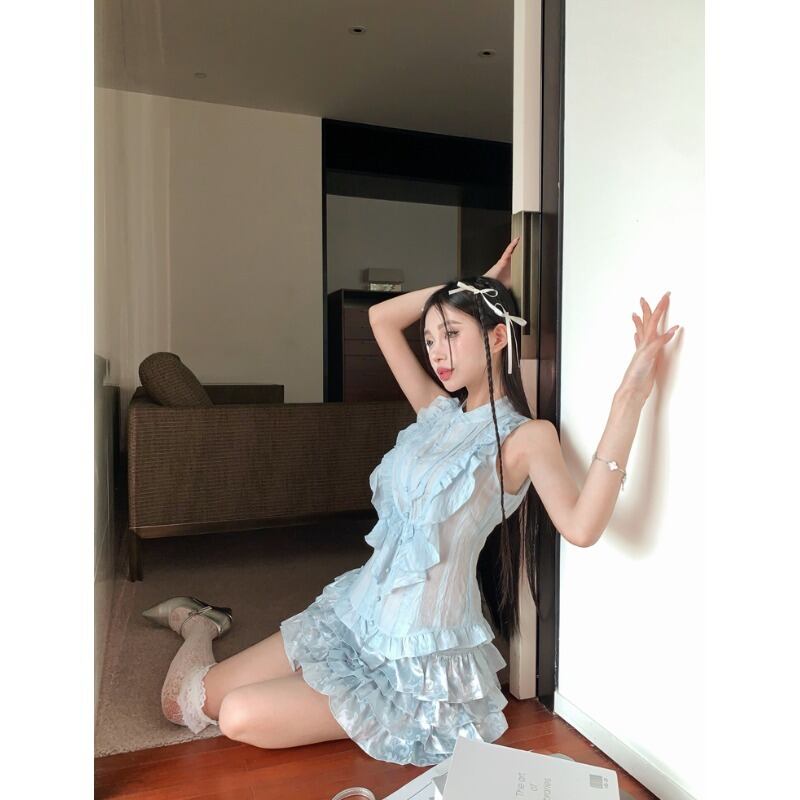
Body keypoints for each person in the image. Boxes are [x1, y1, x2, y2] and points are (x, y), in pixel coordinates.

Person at [142, 236, 679, 766]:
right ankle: (201, 624)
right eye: (430, 338)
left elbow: (582, 527)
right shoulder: (436, 412)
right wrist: (468, 286)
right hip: (353, 614)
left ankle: (253, 653)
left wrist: (629, 397)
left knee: (237, 714)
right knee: (183, 702)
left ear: (497, 337)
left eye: (452, 333)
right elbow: (380, 318)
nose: (437, 352)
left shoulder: (526, 439)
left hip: (417, 663)